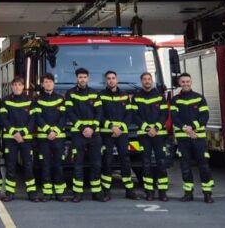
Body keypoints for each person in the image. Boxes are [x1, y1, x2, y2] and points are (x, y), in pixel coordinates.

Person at [172, 73, 214, 204]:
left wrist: (192, 128)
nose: (185, 84)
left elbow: (204, 116)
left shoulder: (199, 98)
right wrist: (186, 129)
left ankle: (207, 194)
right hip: (183, 139)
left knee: (204, 166)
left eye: (187, 81)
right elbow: (174, 117)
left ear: (191, 82)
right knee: (185, 167)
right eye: (183, 82)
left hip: (198, 138)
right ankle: (188, 193)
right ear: (179, 83)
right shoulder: (175, 100)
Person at [65, 67, 104, 202]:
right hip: (78, 134)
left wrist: (92, 128)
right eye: (80, 77)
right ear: (76, 78)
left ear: (88, 78)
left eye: (84, 77)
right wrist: (83, 128)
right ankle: (78, 193)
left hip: (94, 134)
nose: (82, 79)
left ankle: (97, 192)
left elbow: (99, 113)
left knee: (96, 163)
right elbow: (70, 113)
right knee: (78, 164)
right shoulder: (70, 94)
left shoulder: (95, 93)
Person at [131, 71, 170, 202]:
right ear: (141, 81)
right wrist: (147, 128)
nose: (147, 81)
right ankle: (149, 191)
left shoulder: (160, 96)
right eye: (144, 79)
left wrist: (157, 127)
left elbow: (164, 114)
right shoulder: (136, 97)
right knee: (146, 163)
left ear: (152, 81)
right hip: (144, 135)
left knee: (161, 162)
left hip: (159, 134)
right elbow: (134, 115)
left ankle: (163, 192)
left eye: (149, 79)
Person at [99, 70, 138, 200]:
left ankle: (129, 190)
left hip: (122, 133)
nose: (111, 80)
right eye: (108, 78)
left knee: (125, 161)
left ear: (117, 79)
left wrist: (120, 128)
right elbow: (99, 115)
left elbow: (129, 114)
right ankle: (106, 191)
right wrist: (111, 127)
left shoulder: (124, 95)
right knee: (107, 161)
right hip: (107, 133)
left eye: (113, 78)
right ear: (105, 81)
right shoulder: (101, 96)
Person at [0, 76, 36, 202]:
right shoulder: (5, 101)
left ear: (23, 86)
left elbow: (33, 120)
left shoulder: (30, 100)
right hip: (11, 139)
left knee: (28, 165)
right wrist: (14, 133)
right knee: (11, 166)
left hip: (26, 139)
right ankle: (10, 192)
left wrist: (23, 133)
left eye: (19, 85)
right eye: (15, 85)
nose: (17, 87)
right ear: (12, 86)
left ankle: (32, 192)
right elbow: (3, 119)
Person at [32, 73, 67, 202]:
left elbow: (63, 117)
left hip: (58, 137)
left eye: (50, 82)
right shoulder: (37, 99)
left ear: (54, 84)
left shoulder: (61, 99)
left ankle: (60, 192)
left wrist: (55, 131)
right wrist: (48, 131)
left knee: (58, 165)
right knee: (45, 165)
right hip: (44, 138)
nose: (48, 84)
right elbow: (37, 117)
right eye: (46, 82)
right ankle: (47, 192)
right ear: (42, 84)